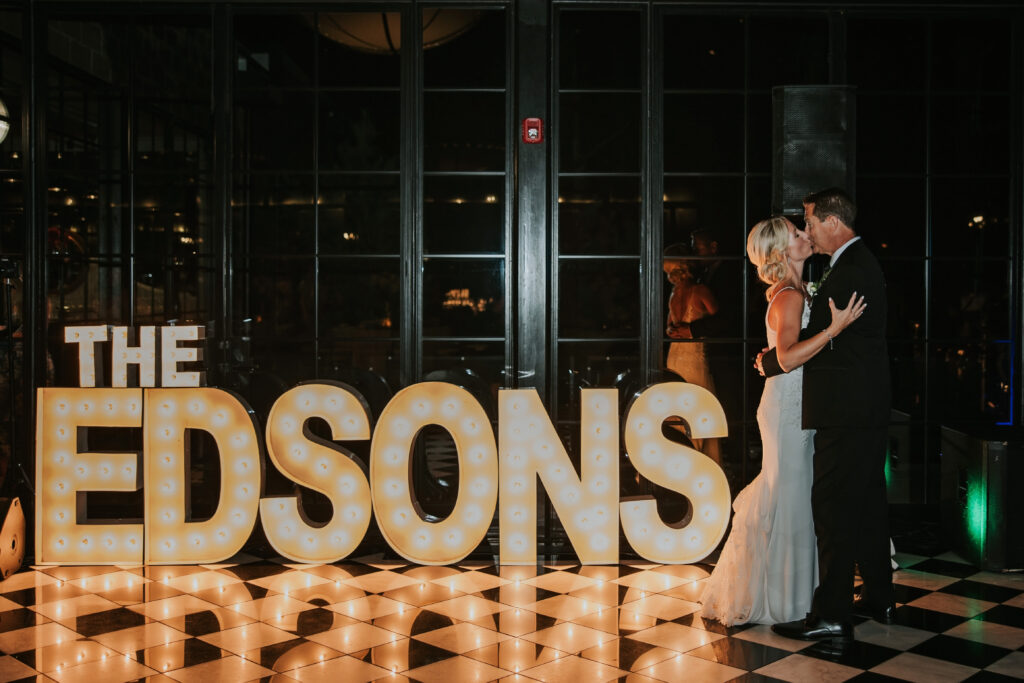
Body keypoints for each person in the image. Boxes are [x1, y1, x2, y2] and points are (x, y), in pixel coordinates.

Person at [699, 215, 865, 626]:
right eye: (795, 234)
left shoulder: (794, 290)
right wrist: (835, 329)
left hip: (795, 408)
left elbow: (779, 353)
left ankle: (796, 596)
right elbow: (788, 357)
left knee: (793, 496)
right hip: (787, 412)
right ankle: (789, 603)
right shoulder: (789, 295)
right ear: (780, 252)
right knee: (791, 500)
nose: (805, 234)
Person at [761, 188, 893, 645]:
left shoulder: (850, 271)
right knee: (868, 506)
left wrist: (771, 361)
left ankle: (833, 613)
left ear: (834, 223)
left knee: (835, 512)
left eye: (811, 223)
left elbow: (800, 350)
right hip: (862, 409)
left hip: (846, 412)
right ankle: (879, 596)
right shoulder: (856, 266)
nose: (809, 230)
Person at [664, 244, 720, 463]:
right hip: (694, 355)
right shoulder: (700, 291)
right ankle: (704, 460)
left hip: (675, 354)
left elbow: (669, 328)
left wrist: (676, 330)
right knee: (700, 404)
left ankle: (681, 457)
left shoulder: (673, 294)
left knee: (677, 405)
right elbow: (719, 320)